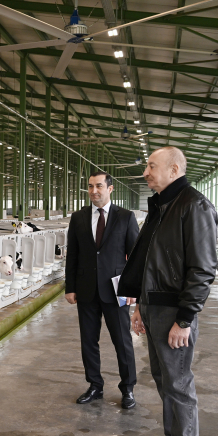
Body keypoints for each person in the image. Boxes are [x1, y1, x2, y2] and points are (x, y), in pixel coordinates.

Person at [118, 147, 217, 436]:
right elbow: (148, 262)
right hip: (154, 307)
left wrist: (185, 319)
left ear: (174, 169)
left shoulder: (193, 206)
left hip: (176, 314)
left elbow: (203, 269)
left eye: (151, 166)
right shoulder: (161, 206)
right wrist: (140, 307)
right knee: (163, 381)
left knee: (178, 385)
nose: (146, 171)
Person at [65, 171, 140, 409]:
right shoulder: (78, 218)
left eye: (98, 186)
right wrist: (70, 287)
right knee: (88, 340)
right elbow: (73, 255)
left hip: (116, 290)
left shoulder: (126, 217)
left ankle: (127, 389)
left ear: (110, 189)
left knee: (122, 340)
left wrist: (132, 289)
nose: (94, 191)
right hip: (86, 289)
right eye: (90, 187)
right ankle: (95, 385)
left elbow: (135, 258)